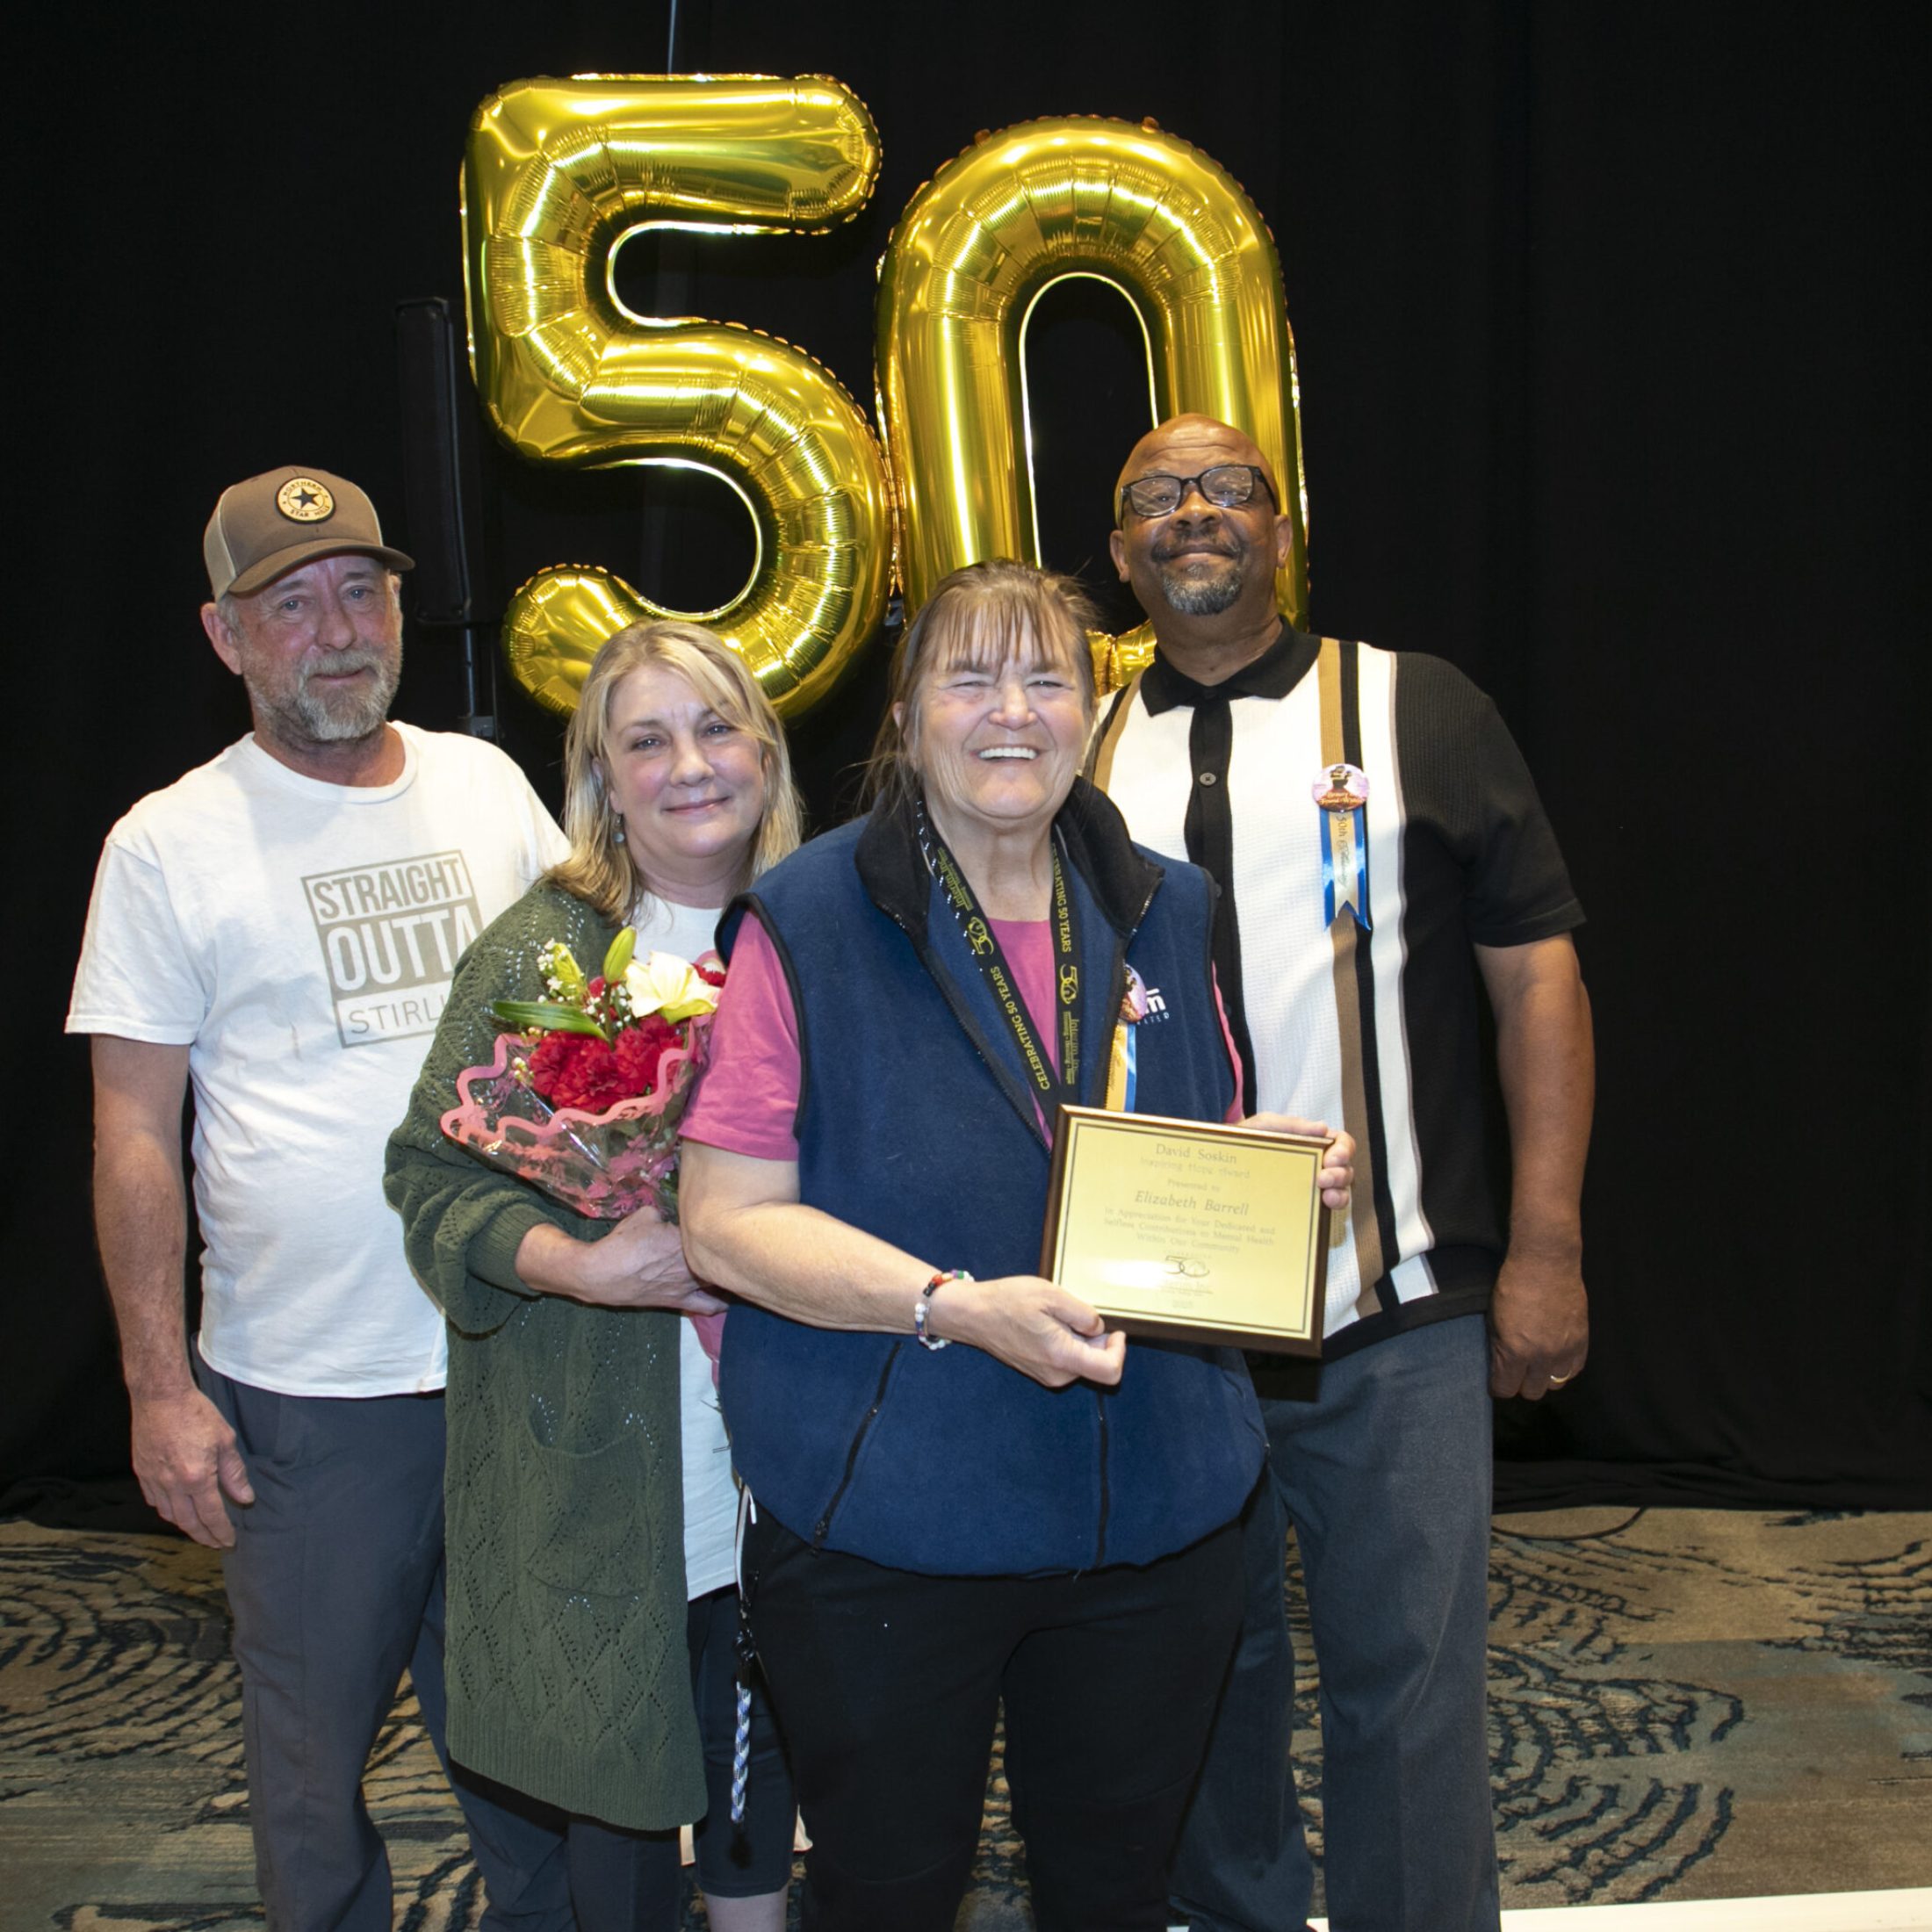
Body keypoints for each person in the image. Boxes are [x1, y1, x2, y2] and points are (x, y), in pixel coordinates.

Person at [676, 560, 1355, 1932]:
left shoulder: (1170, 903)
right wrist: (949, 1305)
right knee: (887, 1893)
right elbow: (727, 1225)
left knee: (1114, 1892)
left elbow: (1191, 1133)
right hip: (889, 1520)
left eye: (1048, 678)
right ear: (909, 711)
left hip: (1155, 1514)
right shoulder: (805, 919)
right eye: (970, 676)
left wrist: (1277, 1175)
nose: (1011, 712)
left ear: (1089, 707)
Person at [1090, 415, 1594, 1932]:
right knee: (1198, 1695)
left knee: (1413, 1696)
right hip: (1164, 1335)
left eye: (1229, 488)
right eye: (1157, 498)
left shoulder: (1419, 708)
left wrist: (1549, 1251)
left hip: (1401, 1312)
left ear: (1284, 528)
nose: (1196, 514)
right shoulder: (1068, 741)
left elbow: (1538, 982)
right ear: (1118, 553)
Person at [66, 465, 573, 1931]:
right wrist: (162, 1388)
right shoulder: (166, 842)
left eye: (364, 591)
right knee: (310, 1768)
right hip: (306, 1401)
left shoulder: (485, 786)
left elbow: (596, 1036)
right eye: (291, 604)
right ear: (226, 639)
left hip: (509, 1356)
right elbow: (131, 1136)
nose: (337, 630)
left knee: (541, 1742)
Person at [384, 620, 804, 1931]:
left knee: (765, 1775)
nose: (690, 765)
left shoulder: (827, 928)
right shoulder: (548, 952)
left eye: (718, 727)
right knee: (616, 1817)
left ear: (766, 753)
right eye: (647, 740)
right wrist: (583, 1264)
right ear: (601, 782)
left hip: (791, 1451)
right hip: (602, 1454)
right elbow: (429, 1174)